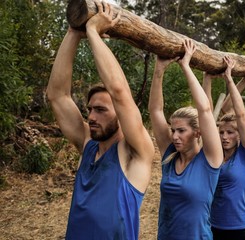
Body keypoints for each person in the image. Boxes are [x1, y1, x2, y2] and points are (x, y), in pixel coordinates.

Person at [46, 2, 155, 239]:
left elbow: (119, 91)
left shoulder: (135, 152)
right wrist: (74, 31)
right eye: (90, 110)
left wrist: (94, 32)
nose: (92, 117)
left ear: (120, 115)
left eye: (101, 110)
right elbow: (57, 95)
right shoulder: (88, 143)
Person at [148, 39, 223, 239]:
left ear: (197, 132)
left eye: (181, 131)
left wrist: (186, 66)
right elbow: (155, 110)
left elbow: (205, 109)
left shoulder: (210, 159)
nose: (174, 136)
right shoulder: (169, 157)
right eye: (173, 130)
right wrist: (159, 68)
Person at [206, 56, 245, 240]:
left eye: (230, 133)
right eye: (221, 132)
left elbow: (242, 116)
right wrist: (207, 79)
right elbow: (206, 115)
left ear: (239, 135)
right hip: (212, 225)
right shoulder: (215, 155)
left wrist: (229, 78)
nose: (225, 137)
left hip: (240, 227)